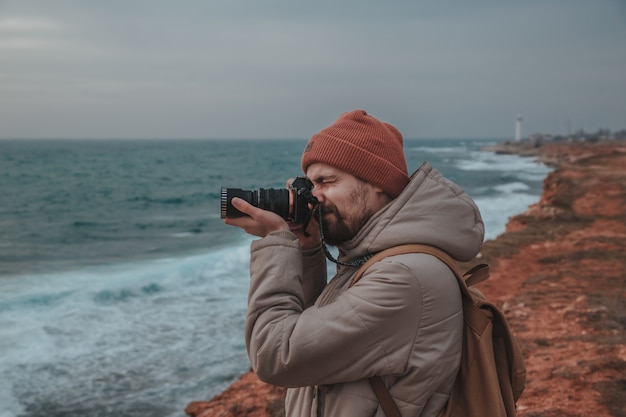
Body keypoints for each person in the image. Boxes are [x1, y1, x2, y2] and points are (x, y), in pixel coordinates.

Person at [224, 109, 484, 417]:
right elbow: (313, 329)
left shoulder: (406, 276)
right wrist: (307, 248)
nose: (313, 197)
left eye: (326, 182)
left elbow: (276, 355)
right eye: (310, 184)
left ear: (376, 182)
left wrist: (276, 241)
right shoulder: (376, 258)